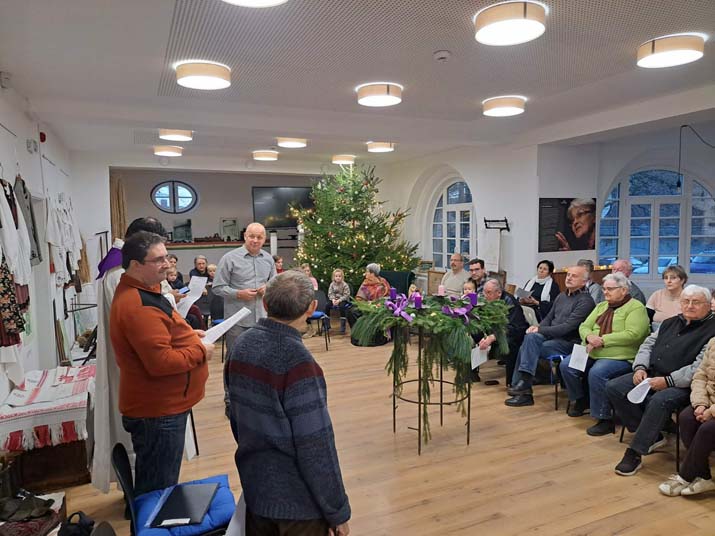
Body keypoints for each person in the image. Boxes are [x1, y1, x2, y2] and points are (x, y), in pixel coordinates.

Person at [226, 271, 351, 535]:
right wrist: (337, 510)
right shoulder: (299, 362)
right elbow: (315, 445)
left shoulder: (241, 345)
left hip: (255, 488)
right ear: (311, 308)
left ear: (265, 303)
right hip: (297, 507)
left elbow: (234, 415)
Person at [110, 231, 213, 495]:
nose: (167, 264)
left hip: (162, 406)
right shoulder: (138, 305)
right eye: (158, 260)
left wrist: (189, 336)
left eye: (167, 257)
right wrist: (200, 351)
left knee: (156, 482)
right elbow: (161, 362)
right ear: (136, 265)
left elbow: (161, 334)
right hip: (158, 412)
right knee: (158, 491)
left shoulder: (144, 290)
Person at [606, 285, 715, 476]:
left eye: (696, 302)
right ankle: (653, 435)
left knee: (660, 400)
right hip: (652, 372)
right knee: (614, 387)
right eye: (685, 301)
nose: (689, 306)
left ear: (708, 305)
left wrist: (669, 381)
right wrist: (640, 367)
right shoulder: (670, 322)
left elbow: (698, 368)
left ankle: (635, 452)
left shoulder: (712, 330)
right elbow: (647, 344)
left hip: (684, 384)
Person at [92, 217, 166, 493]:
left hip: (136, 359)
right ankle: (140, 496)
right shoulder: (118, 273)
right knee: (141, 441)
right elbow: (138, 319)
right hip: (134, 366)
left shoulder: (122, 266)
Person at [559, 272, 650, 436]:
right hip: (592, 349)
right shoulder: (602, 306)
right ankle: (581, 399)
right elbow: (584, 326)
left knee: (597, 373)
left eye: (610, 289)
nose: (605, 292)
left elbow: (634, 334)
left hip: (620, 355)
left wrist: (603, 340)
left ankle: (604, 419)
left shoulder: (636, 307)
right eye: (604, 289)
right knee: (566, 365)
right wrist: (589, 337)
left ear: (623, 290)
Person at [506, 265, 595, 407]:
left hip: (570, 342)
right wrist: (537, 328)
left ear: (584, 281)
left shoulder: (586, 301)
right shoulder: (562, 296)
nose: (569, 278)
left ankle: (523, 389)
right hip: (552, 338)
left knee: (527, 347)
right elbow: (548, 318)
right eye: (568, 275)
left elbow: (567, 328)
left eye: (574, 276)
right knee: (530, 339)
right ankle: (523, 387)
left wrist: (540, 329)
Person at [213, 222, 276, 413]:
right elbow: (217, 287)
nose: (255, 240)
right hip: (237, 321)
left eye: (259, 237)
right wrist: (238, 294)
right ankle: (231, 399)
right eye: (252, 236)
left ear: (264, 239)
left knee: (262, 359)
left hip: (262, 319)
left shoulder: (268, 259)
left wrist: (268, 287)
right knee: (235, 361)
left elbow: (274, 282)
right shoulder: (229, 258)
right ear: (245, 236)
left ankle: (257, 397)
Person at [659, 337, 715, 497]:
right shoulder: (713, 342)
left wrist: (711, 411)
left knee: (707, 429)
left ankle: (685, 475)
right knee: (686, 418)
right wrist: (700, 404)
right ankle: (703, 476)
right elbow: (700, 376)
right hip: (708, 400)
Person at [479, 278, 529, 386]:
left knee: (509, 344)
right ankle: (472, 373)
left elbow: (514, 328)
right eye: (484, 292)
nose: (485, 295)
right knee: (475, 332)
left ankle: (512, 382)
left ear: (499, 293)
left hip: (515, 335)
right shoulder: (487, 301)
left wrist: (493, 337)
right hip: (495, 331)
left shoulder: (510, 303)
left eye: (488, 293)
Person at [326, 268, 351, 334]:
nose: (338, 277)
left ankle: (343, 326)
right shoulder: (332, 284)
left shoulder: (345, 285)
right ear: (334, 277)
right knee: (327, 306)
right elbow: (330, 293)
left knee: (342, 307)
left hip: (343, 299)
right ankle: (327, 325)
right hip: (334, 299)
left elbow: (346, 295)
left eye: (339, 276)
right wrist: (333, 299)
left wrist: (339, 300)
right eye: (336, 276)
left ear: (342, 277)